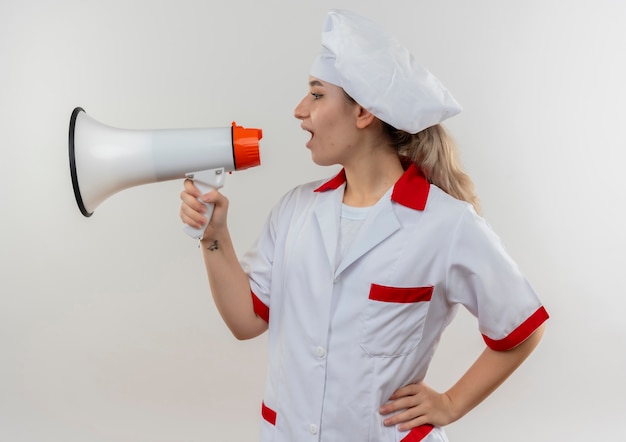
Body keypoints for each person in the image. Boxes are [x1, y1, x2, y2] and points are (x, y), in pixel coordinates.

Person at [179, 9, 548, 442]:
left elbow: (523, 326)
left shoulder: (446, 226)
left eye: (316, 95)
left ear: (363, 112)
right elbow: (246, 321)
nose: (300, 111)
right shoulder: (295, 211)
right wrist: (213, 236)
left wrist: (450, 403)